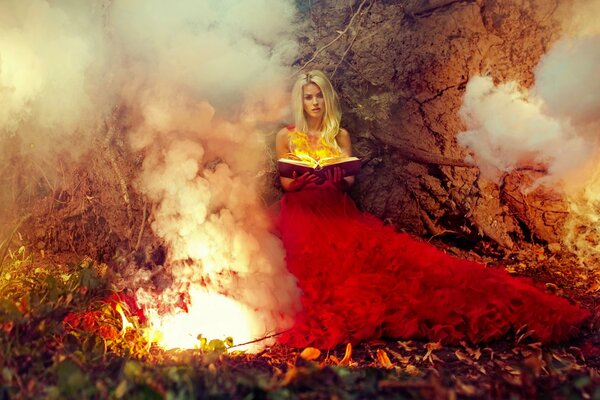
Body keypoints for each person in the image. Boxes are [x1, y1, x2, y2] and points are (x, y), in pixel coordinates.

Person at [274, 69, 590, 350]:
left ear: (327, 99)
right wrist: (306, 176)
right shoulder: (286, 136)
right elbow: (286, 184)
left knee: (404, 269)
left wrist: (333, 174)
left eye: (318, 96)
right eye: (308, 98)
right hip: (302, 213)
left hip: (338, 210)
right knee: (319, 278)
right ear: (300, 102)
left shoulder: (338, 135)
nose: (314, 102)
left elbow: (349, 178)